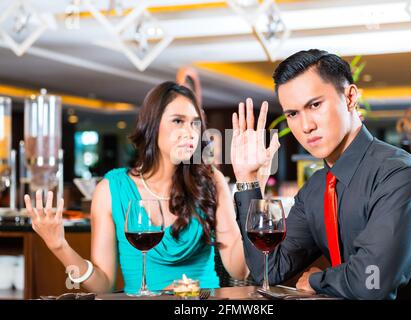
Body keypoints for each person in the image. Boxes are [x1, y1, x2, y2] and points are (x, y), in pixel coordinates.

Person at [231, 49, 411, 299]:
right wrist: (247, 179)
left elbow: (372, 281)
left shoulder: (400, 177)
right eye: (292, 114)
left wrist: (316, 279)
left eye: (315, 105)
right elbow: (270, 268)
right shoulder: (316, 188)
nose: (305, 126)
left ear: (349, 97)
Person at [24, 81, 279, 294]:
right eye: (178, 121)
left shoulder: (211, 180)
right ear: (152, 125)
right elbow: (102, 286)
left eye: (195, 123)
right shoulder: (111, 189)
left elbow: (239, 269)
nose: (189, 132)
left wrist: (252, 186)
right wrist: (59, 246)